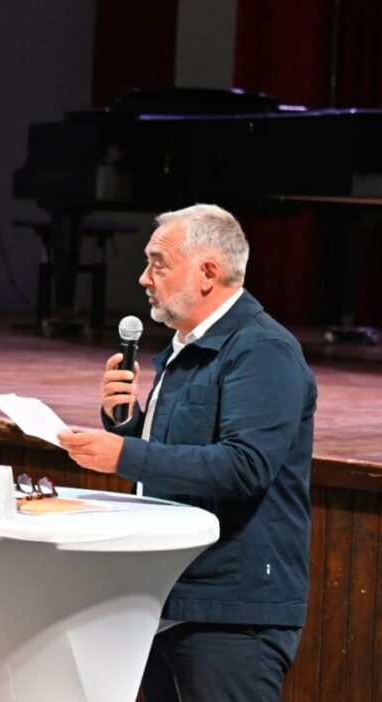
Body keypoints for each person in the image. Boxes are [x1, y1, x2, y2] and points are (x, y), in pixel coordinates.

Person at [57, 204, 316, 701]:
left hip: (232, 611)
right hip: (172, 594)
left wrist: (122, 455)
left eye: (157, 263)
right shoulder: (187, 347)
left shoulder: (262, 349)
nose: (143, 278)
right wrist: (127, 425)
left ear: (208, 272)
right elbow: (183, 454)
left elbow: (244, 466)